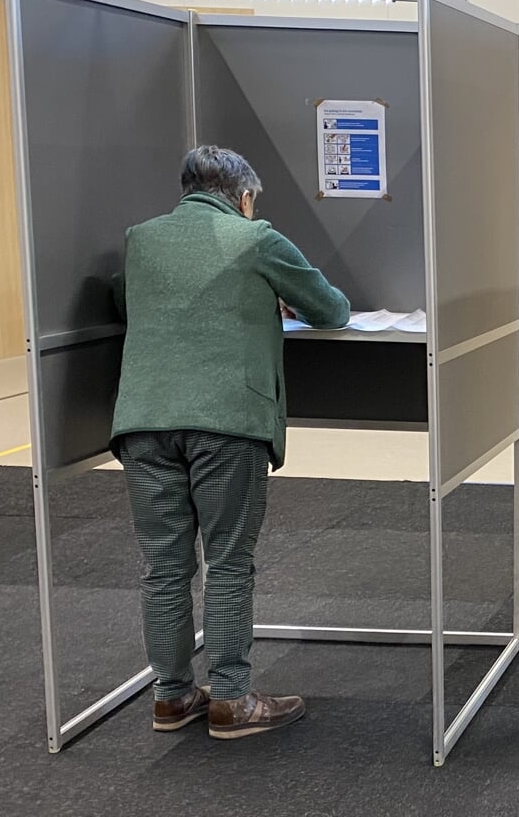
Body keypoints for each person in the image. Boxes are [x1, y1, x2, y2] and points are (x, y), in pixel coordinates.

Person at [110, 145, 350, 740]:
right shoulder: (255, 238)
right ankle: (233, 700)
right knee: (228, 563)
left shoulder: (141, 239)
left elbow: (128, 301)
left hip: (143, 423)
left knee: (163, 568)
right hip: (227, 424)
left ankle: (171, 696)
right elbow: (332, 310)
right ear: (242, 198)